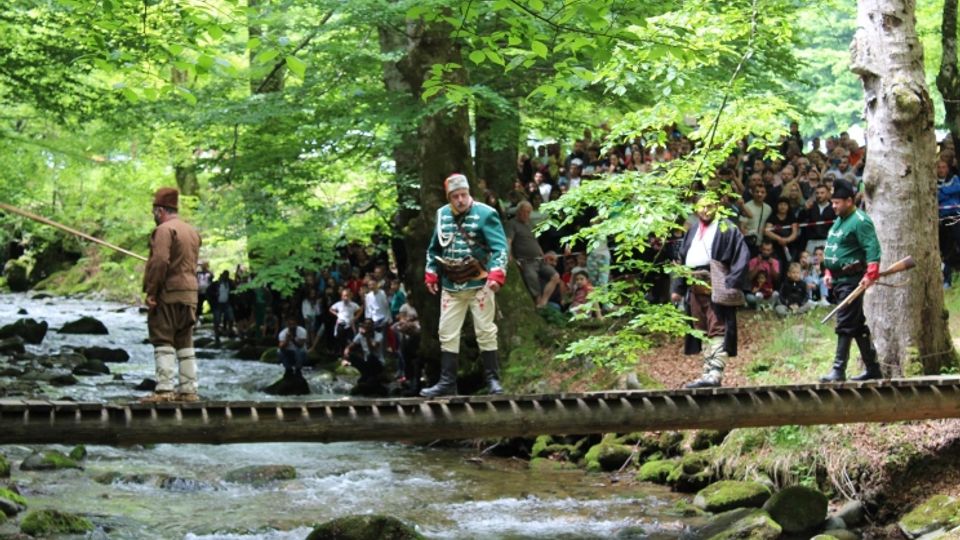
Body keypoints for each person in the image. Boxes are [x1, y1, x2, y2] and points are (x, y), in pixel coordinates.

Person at [422, 173, 509, 397]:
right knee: (447, 333)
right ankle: (447, 383)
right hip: (451, 284)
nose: (460, 199)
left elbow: (499, 247)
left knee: (485, 330)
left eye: (464, 194)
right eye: (455, 196)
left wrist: (497, 273)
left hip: (479, 282)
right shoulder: (442, 215)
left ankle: (493, 380)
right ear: (449, 197)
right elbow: (434, 249)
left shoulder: (486, 213)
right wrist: (431, 273)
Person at [671, 198, 750, 388]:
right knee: (701, 330)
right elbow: (682, 259)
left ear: (717, 207)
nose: (705, 210)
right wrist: (678, 288)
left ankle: (715, 372)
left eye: (710, 206)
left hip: (716, 283)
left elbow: (742, 256)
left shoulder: (727, 229)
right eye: (702, 206)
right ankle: (707, 372)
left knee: (718, 327)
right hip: (694, 285)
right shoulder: (692, 230)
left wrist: (730, 283)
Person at [819, 179, 883, 382]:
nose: (833, 206)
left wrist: (870, 274)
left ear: (848, 201)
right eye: (832, 202)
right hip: (838, 280)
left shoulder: (860, 220)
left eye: (837, 202)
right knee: (856, 324)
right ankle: (873, 368)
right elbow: (833, 248)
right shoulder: (839, 221)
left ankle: (838, 370)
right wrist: (829, 272)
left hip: (852, 279)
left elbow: (872, 248)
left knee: (845, 321)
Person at [142, 187, 201, 403]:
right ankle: (188, 390)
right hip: (191, 294)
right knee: (184, 339)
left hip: (169, 292)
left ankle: (164, 390)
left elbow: (160, 262)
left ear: (160, 210)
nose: (153, 216)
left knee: (163, 337)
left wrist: (152, 291)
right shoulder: (192, 232)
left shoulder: (164, 231)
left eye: (153, 211)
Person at [508, 201, 562, 307]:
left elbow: (535, 243)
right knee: (532, 280)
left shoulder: (530, 225)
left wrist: (543, 256)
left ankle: (543, 301)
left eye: (528, 212)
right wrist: (509, 254)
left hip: (539, 259)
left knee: (555, 276)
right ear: (518, 212)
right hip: (527, 261)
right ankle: (538, 302)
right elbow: (509, 240)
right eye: (524, 212)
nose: (526, 215)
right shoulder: (512, 224)